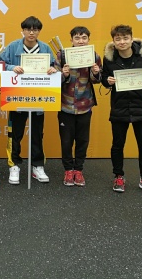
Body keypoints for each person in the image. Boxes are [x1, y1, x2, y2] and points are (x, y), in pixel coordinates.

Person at [0, 16, 57, 185]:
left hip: (39, 96)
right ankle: (14, 165)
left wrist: (52, 69)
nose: (31, 33)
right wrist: (11, 67)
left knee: (37, 133)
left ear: (39, 31)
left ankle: (37, 166)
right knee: (15, 133)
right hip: (17, 96)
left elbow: (56, 66)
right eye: (28, 29)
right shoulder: (13, 47)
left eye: (35, 30)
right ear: (22, 30)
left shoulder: (45, 48)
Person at [101, 24, 142, 195]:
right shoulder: (109, 58)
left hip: (141, 106)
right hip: (119, 107)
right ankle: (118, 176)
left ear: (131, 39)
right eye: (118, 39)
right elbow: (104, 78)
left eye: (125, 38)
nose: (122, 42)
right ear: (113, 41)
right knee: (117, 145)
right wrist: (107, 81)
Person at [55, 26, 102, 187]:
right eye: (77, 38)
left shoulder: (94, 56)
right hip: (65, 105)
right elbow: (54, 79)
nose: (80, 41)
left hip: (85, 105)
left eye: (84, 38)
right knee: (66, 141)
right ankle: (68, 170)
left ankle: (78, 170)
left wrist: (96, 72)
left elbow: (97, 80)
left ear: (88, 39)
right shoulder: (62, 56)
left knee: (82, 140)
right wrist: (64, 74)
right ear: (71, 40)